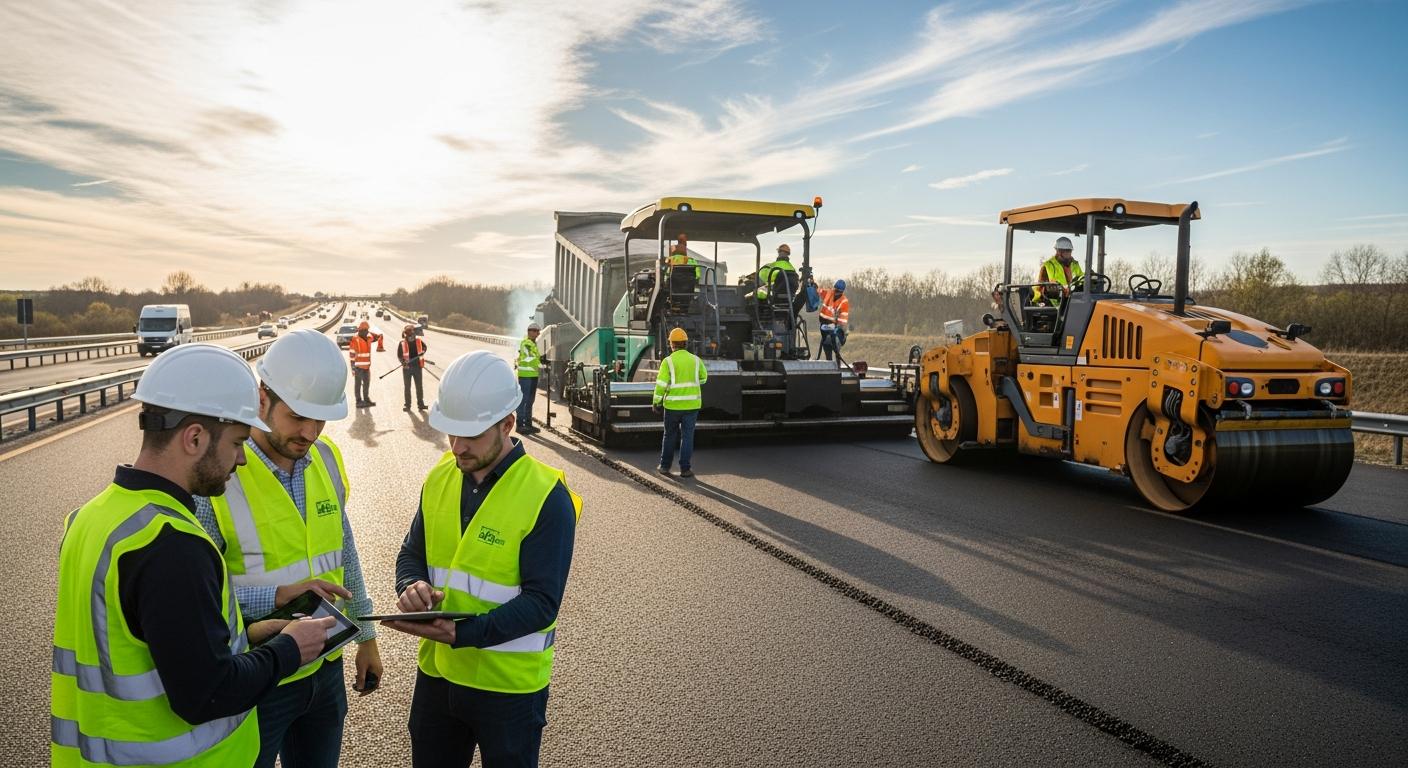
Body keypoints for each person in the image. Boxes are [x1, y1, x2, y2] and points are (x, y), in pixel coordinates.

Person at [51, 344, 336, 767]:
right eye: (238, 442)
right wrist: (289, 650)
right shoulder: (173, 545)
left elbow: (150, 643)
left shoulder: (93, 517)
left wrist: (249, 636)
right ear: (195, 437)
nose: (242, 459)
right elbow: (207, 693)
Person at [192, 330, 382, 768]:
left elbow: (345, 553)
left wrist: (366, 636)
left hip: (326, 668)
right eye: (298, 417)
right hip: (256, 676)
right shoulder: (218, 477)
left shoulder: (327, 458)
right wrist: (274, 598)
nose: (310, 432)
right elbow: (198, 599)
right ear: (262, 399)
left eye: (321, 420)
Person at [384, 350, 581, 768]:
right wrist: (411, 586)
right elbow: (412, 553)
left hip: (508, 691)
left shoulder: (547, 497)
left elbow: (542, 603)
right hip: (438, 679)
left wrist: (463, 633)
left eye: (471, 435)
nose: (458, 446)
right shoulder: (440, 475)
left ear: (507, 423)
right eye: (451, 433)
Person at [653, 327, 707, 477]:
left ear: (671, 344)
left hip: (672, 406)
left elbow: (661, 384)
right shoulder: (696, 360)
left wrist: (656, 401)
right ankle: (685, 469)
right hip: (692, 405)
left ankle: (665, 466)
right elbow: (703, 378)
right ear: (686, 343)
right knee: (688, 436)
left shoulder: (668, 362)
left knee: (670, 435)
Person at [1034, 236, 1085, 307]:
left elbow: (1081, 281)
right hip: (1055, 306)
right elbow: (1040, 289)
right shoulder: (1048, 266)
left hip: (1073, 303)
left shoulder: (1075, 265)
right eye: (1058, 251)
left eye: (1062, 252)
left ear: (1070, 251)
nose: (1059, 254)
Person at [516, 322, 542, 435]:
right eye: (535, 331)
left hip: (533, 375)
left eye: (538, 331)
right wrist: (541, 364)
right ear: (529, 331)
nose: (537, 333)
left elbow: (535, 357)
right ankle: (520, 425)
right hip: (525, 375)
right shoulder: (526, 343)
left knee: (530, 401)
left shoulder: (533, 343)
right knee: (524, 400)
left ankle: (528, 424)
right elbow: (531, 357)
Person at [399, 324, 430, 412]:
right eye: (409, 332)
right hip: (407, 368)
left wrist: (423, 351)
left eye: (412, 331)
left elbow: (424, 347)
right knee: (407, 387)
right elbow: (399, 355)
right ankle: (407, 405)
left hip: (417, 367)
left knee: (419, 387)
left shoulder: (418, 341)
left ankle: (420, 404)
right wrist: (403, 362)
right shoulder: (402, 343)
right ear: (406, 333)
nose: (411, 333)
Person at [818, 278, 850, 361]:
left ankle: (837, 362)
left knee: (835, 344)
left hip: (835, 327)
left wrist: (836, 327)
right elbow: (821, 292)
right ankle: (829, 361)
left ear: (842, 292)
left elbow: (843, 320)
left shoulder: (844, 302)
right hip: (824, 324)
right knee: (825, 344)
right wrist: (814, 286)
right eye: (836, 291)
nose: (837, 293)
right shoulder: (829, 293)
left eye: (839, 292)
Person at [350, 321, 375, 407]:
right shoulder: (355, 339)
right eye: (365, 330)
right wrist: (353, 366)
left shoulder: (368, 338)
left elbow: (374, 336)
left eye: (367, 330)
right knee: (358, 384)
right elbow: (352, 353)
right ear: (360, 330)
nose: (366, 332)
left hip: (366, 367)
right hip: (358, 366)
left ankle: (366, 399)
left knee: (366, 384)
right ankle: (358, 401)